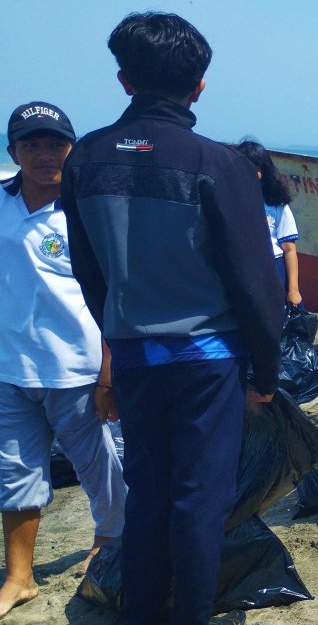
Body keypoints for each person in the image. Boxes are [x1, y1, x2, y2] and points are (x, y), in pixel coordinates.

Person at [61, 12, 283, 625]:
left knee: (148, 495)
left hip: (133, 355)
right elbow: (254, 281)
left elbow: (88, 269)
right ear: (199, 86)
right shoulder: (217, 163)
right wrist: (267, 369)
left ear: (124, 80)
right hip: (207, 361)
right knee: (199, 501)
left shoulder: (86, 159)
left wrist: (118, 328)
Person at [0, 103, 126, 619]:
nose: (44, 154)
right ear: (13, 152)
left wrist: (108, 374)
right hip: (9, 369)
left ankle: (108, 544)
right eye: (31, 144)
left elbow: (119, 294)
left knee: (102, 469)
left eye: (54, 144)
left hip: (77, 368)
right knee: (15, 473)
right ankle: (19, 576)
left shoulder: (91, 209)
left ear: (72, 151)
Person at [236, 140, 302, 306]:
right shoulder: (231, 200)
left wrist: (293, 290)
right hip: (242, 266)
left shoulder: (276, 203)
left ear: (263, 169)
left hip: (273, 267)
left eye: (254, 167)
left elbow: (289, 248)